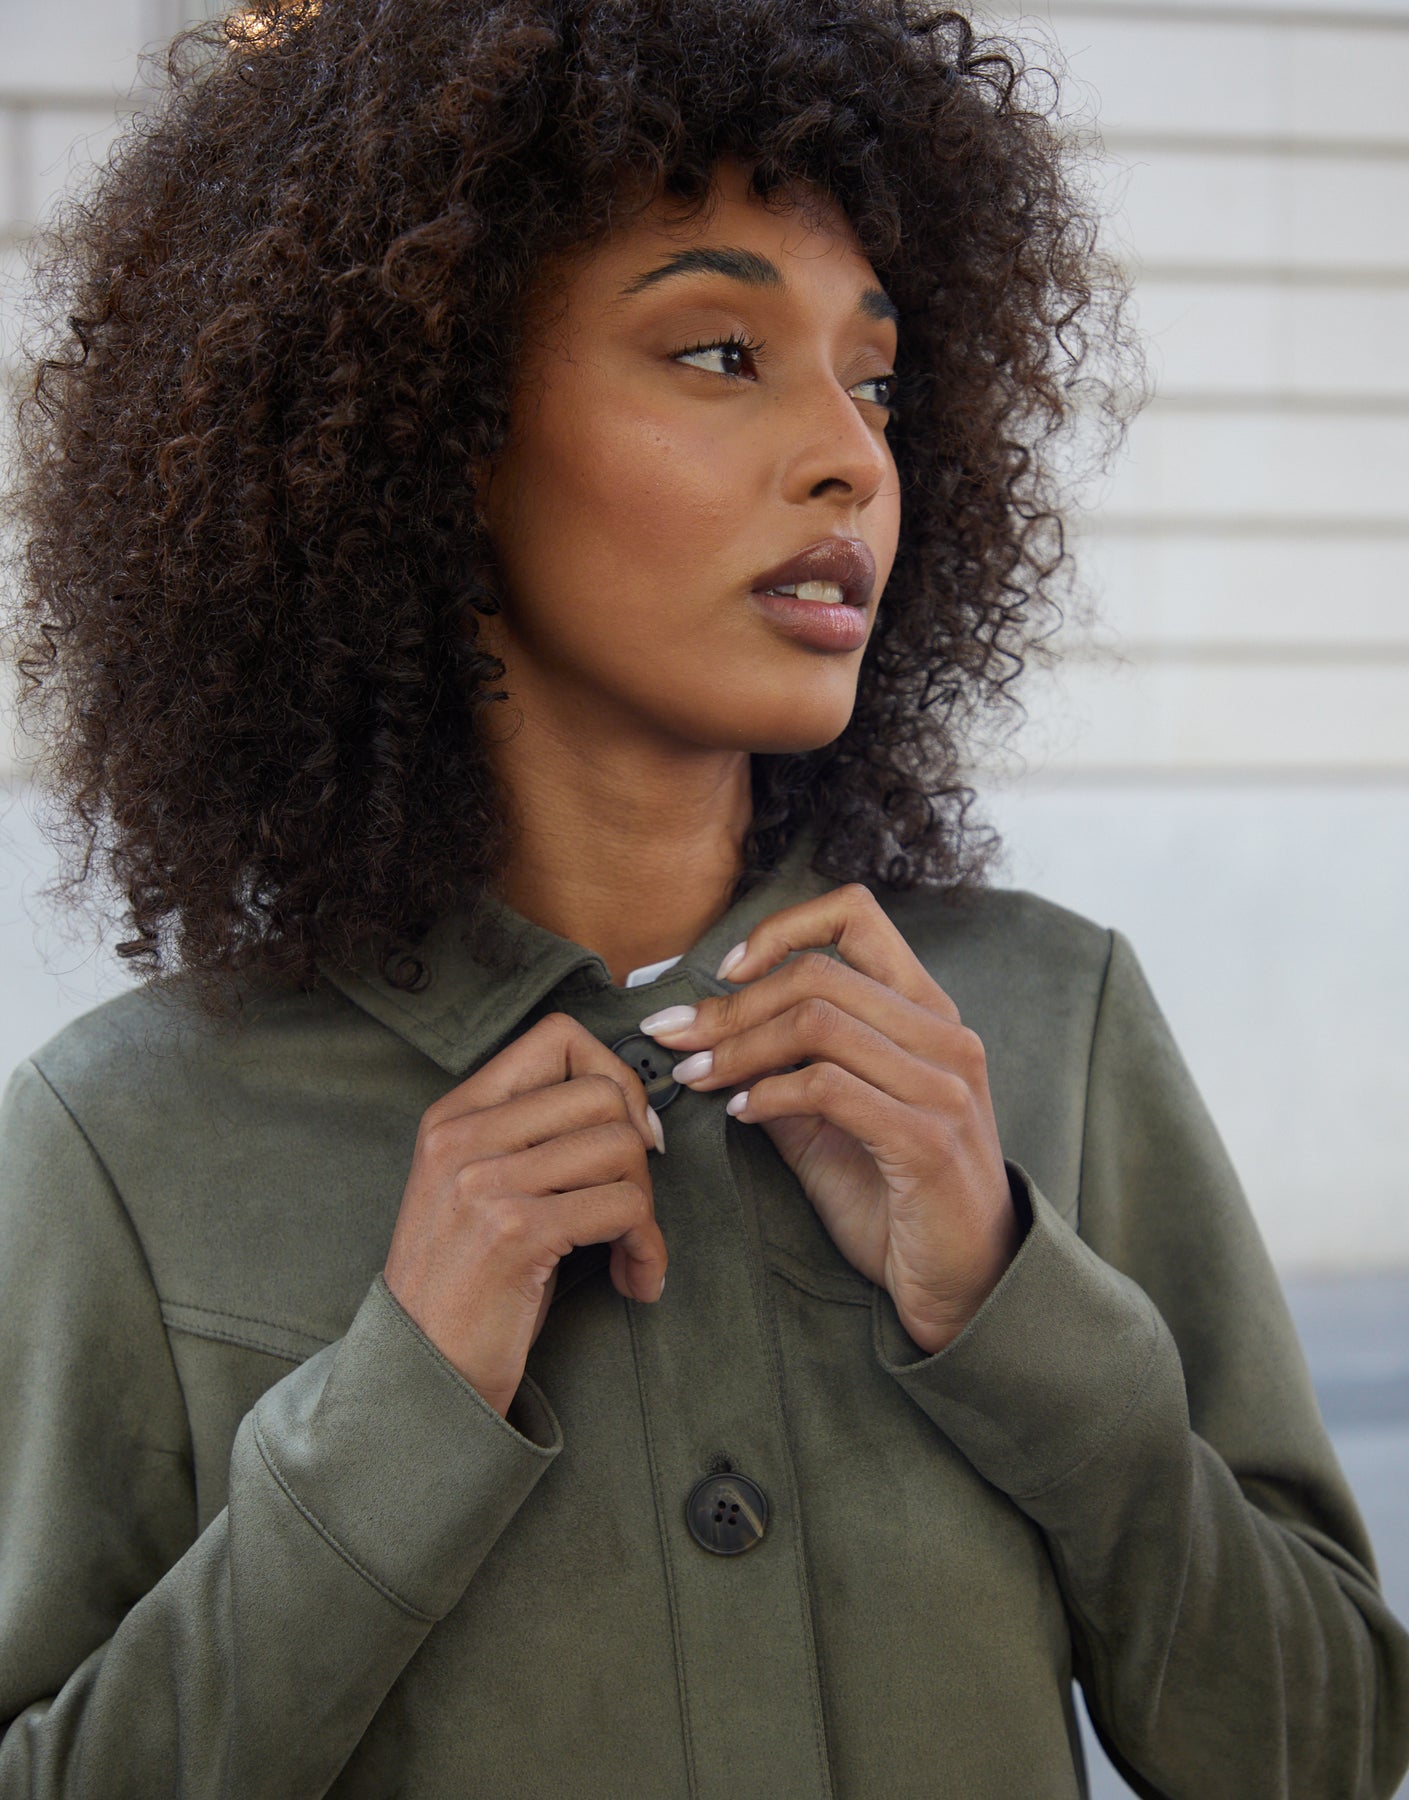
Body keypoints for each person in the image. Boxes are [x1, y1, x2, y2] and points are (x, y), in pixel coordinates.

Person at [2, 0, 1406, 1792]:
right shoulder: (129, 1144)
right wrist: (400, 1405)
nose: (852, 457)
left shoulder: (1048, 1030)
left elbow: (1318, 1746)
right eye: (721, 353)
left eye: (875, 380)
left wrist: (1012, 1301)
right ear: (433, 431)